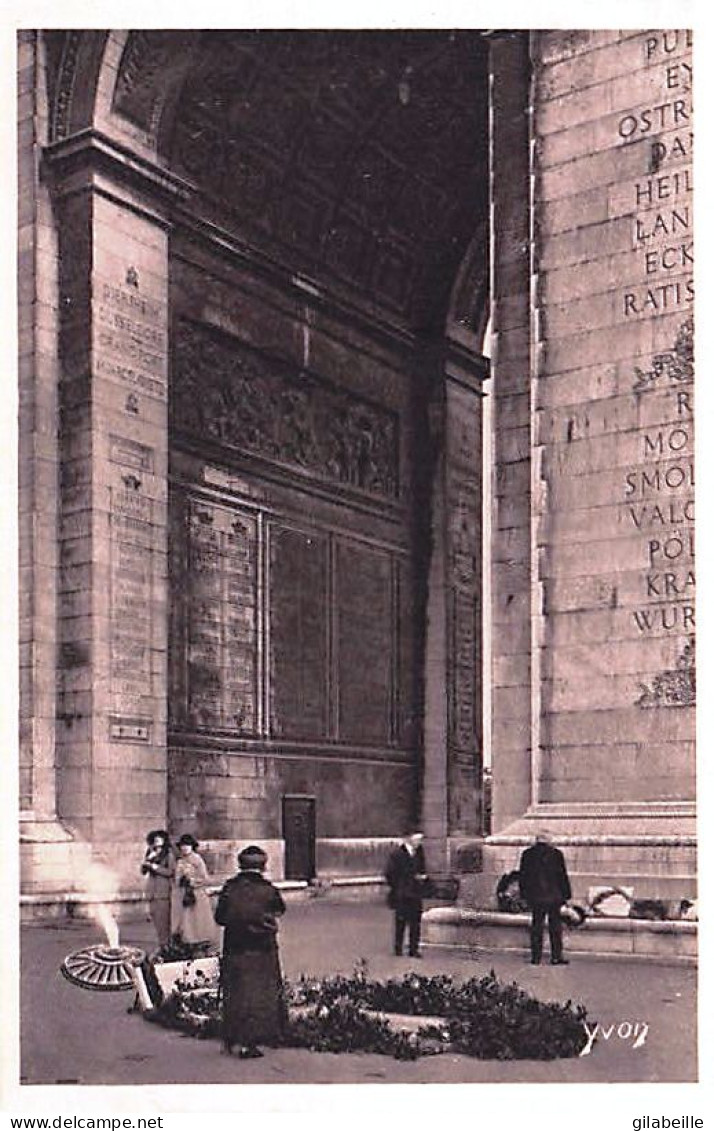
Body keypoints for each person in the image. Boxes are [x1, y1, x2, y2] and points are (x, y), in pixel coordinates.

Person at [214, 845, 287, 1059]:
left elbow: (220, 918)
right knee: (260, 993)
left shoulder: (229, 887)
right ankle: (255, 1041)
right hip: (262, 948)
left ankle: (230, 1037)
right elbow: (280, 909)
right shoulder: (269, 889)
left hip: (234, 947)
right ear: (263, 866)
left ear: (240, 865)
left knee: (235, 991)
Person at [518, 831, 572, 965]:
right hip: (554, 897)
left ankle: (536, 957)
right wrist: (566, 895)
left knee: (537, 926)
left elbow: (523, 877)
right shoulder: (556, 854)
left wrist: (524, 895)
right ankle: (556, 956)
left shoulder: (527, 854)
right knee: (555, 927)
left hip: (535, 896)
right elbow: (562, 876)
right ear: (548, 840)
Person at [384, 829, 429, 958]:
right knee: (401, 922)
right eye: (417, 839)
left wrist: (422, 878)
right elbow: (389, 873)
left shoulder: (420, 853)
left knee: (415, 922)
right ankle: (398, 948)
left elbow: (422, 868)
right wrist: (398, 887)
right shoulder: (397, 854)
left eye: (421, 840)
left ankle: (413, 949)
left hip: (415, 893)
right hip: (402, 894)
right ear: (409, 839)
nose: (419, 842)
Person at [172, 833, 219, 949]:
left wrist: (193, 881)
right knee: (186, 918)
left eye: (187, 845)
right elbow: (176, 879)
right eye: (182, 846)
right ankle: (188, 940)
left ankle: (201, 939)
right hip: (184, 893)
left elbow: (206, 878)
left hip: (197, 893)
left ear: (192, 846)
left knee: (198, 917)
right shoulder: (180, 861)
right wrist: (181, 879)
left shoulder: (197, 859)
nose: (184, 848)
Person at [141, 829, 174, 948]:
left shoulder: (168, 855)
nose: (157, 841)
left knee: (163, 922)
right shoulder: (150, 853)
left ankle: (166, 945)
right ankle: (162, 944)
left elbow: (170, 871)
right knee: (156, 921)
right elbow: (143, 871)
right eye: (155, 839)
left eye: (159, 838)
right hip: (152, 892)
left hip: (163, 891)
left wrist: (155, 867)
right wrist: (148, 860)